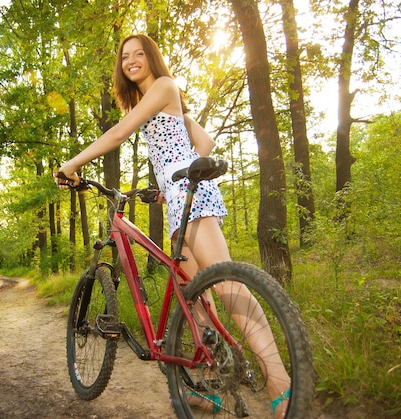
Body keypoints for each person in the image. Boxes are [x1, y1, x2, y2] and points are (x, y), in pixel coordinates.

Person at [56, 34, 291, 418]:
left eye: (139, 54)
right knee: (193, 297)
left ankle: (280, 386)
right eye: (125, 56)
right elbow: (206, 141)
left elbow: (118, 134)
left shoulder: (165, 86)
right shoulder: (168, 106)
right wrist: (172, 178)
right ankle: (203, 387)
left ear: (152, 57)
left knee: (227, 285)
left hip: (190, 195)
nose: (131, 60)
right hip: (181, 193)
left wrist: (72, 165)